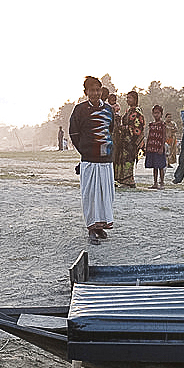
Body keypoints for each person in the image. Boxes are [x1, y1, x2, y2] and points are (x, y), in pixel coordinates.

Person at [68, 76, 115, 245]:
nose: (95, 93)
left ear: (101, 91)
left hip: (106, 159)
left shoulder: (108, 110)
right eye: (92, 90)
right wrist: (85, 150)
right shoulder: (80, 110)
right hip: (89, 159)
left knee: (105, 195)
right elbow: (74, 133)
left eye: (98, 90)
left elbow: (110, 129)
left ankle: (100, 225)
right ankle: (91, 228)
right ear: (86, 92)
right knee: (90, 195)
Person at [114, 91, 144, 188]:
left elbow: (138, 127)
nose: (128, 100)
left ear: (135, 99)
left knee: (128, 160)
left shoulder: (137, 112)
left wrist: (125, 128)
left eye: (129, 98)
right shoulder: (128, 111)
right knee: (123, 160)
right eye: (127, 98)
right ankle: (124, 180)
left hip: (131, 141)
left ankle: (129, 181)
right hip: (124, 141)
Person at [144, 104, 167, 189]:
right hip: (152, 147)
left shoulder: (162, 124)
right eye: (154, 113)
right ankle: (155, 183)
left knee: (160, 166)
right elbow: (149, 135)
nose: (156, 115)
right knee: (154, 166)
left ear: (161, 114)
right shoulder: (151, 124)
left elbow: (164, 137)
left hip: (159, 148)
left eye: (158, 113)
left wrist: (162, 147)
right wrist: (147, 147)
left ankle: (162, 183)